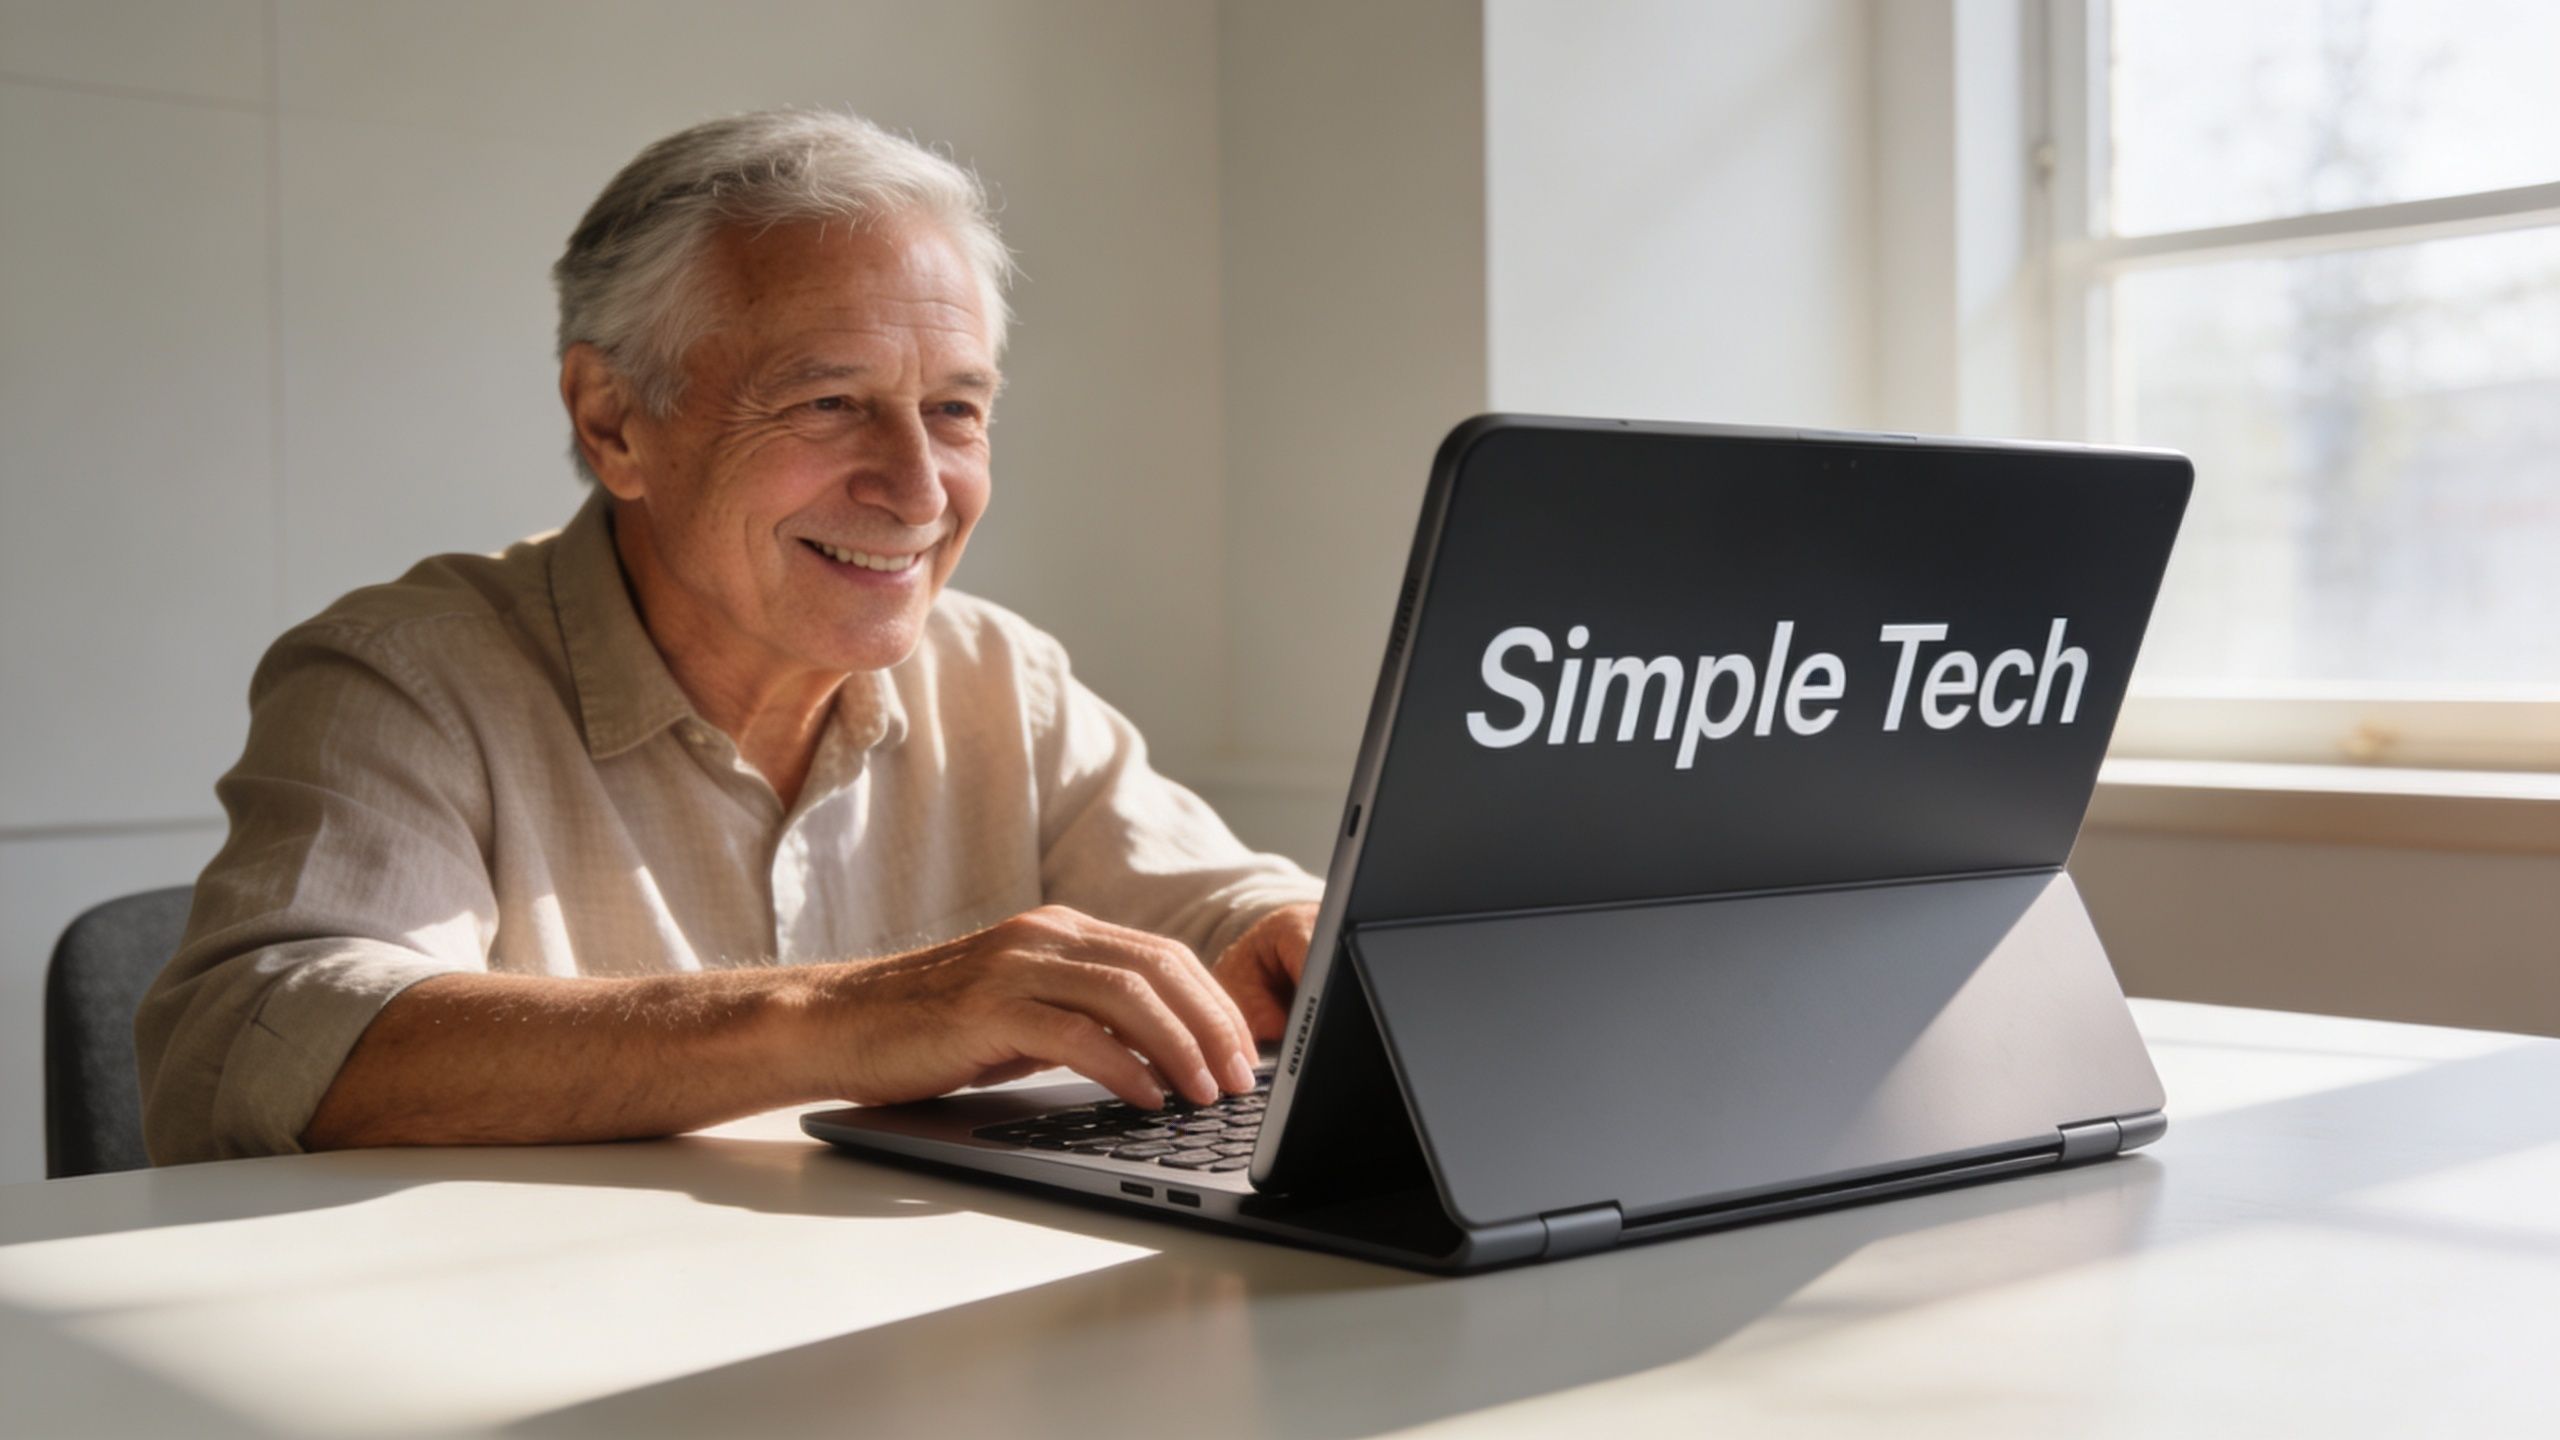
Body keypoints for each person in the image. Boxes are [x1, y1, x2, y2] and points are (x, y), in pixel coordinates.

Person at [134, 109, 1323, 1165]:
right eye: (827, 402)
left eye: (955, 409)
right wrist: (847, 1017)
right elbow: (261, 1042)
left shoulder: (1000, 676)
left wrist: (1296, 941)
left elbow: (1224, 912)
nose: (917, 490)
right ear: (613, 423)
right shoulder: (405, 679)